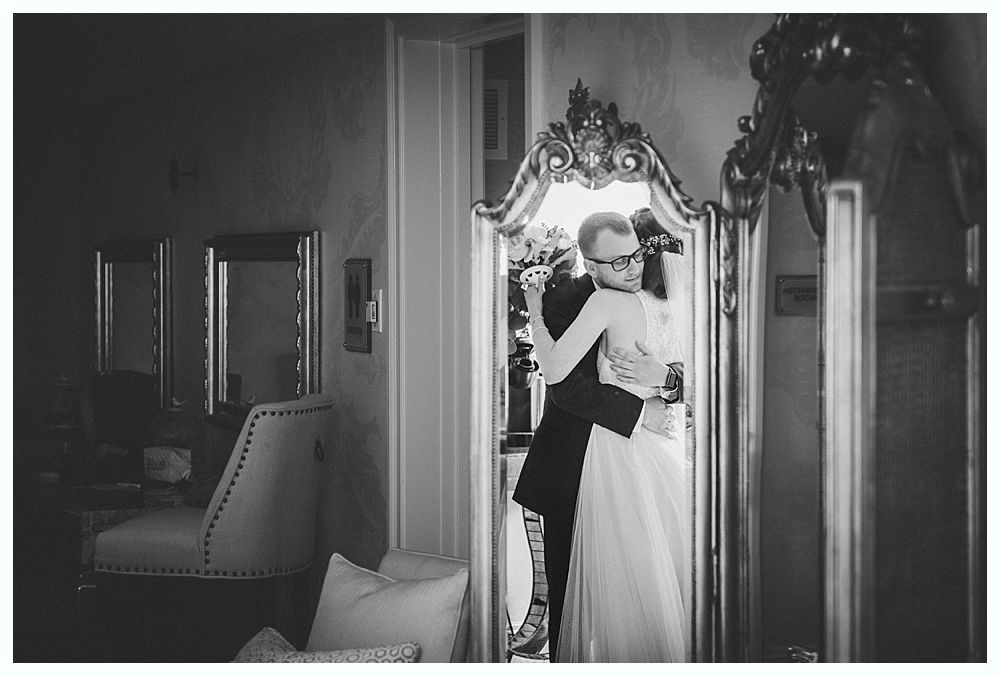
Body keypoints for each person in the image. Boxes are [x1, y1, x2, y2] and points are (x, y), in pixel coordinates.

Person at [511, 211, 684, 661]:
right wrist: (637, 412)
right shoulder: (570, 299)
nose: (633, 268)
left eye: (636, 256)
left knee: (648, 580)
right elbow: (566, 385)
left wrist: (665, 378)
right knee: (573, 591)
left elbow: (696, 366)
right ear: (591, 266)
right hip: (574, 460)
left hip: (645, 459)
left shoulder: (662, 294)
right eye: (618, 261)